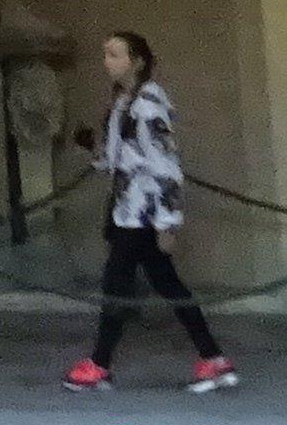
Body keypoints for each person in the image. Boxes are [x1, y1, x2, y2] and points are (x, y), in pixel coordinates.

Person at [66, 29, 236, 393]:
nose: (107, 62)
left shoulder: (147, 106)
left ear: (137, 61)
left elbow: (166, 165)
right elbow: (118, 159)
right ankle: (213, 359)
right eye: (106, 54)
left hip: (142, 213)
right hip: (128, 210)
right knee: (166, 284)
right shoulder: (124, 102)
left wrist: (168, 222)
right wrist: (92, 149)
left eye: (114, 55)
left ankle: (99, 365)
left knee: (118, 283)